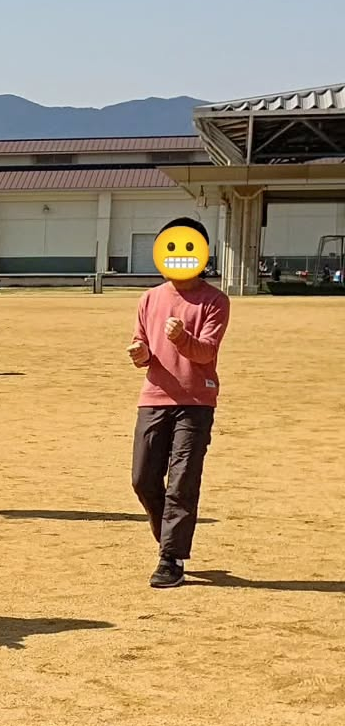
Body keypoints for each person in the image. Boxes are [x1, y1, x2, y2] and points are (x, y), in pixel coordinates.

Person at [128, 217, 230, 589]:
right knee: (143, 479)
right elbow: (143, 350)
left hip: (196, 400)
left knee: (182, 481)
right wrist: (139, 353)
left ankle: (170, 558)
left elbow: (205, 352)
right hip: (154, 397)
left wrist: (182, 339)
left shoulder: (215, 301)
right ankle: (170, 536)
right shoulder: (150, 299)